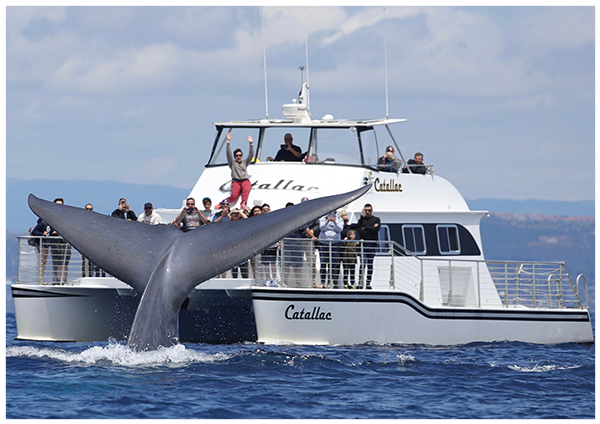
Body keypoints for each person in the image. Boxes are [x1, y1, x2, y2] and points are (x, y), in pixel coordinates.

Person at [219, 132, 254, 210]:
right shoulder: (232, 163)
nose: (238, 157)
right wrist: (228, 143)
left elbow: (251, 155)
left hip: (245, 180)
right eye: (237, 155)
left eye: (240, 155)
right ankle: (221, 203)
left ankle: (243, 204)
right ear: (235, 156)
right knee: (234, 196)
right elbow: (228, 154)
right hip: (236, 181)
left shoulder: (245, 162)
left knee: (246, 190)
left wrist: (251, 144)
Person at [353, 203, 380, 289]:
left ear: (372, 211)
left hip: (372, 245)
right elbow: (360, 231)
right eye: (366, 210)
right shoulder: (362, 220)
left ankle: (368, 283)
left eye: (369, 210)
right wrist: (370, 228)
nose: (367, 212)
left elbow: (376, 229)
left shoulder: (376, 219)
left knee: (370, 265)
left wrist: (366, 228)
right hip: (363, 246)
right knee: (363, 264)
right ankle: (360, 282)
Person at [46, 198, 71, 284]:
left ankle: (64, 280)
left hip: (65, 243)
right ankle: (56, 280)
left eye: (60, 204)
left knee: (65, 263)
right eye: (57, 204)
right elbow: (49, 229)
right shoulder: (50, 217)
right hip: (55, 243)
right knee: (56, 262)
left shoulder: (67, 217)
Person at [318, 210, 344, 288]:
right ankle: (322, 282)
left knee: (331, 264)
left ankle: (329, 283)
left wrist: (335, 222)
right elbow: (321, 228)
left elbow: (340, 229)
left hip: (334, 244)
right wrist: (327, 221)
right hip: (323, 243)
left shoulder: (339, 219)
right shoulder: (323, 218)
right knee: (323, 263)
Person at [30, 216, 50, 282]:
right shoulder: (43, 223)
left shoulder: (45, 222)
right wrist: (42, 234)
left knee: (43, 261)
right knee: (42, 261)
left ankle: (41, 277)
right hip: (42, 243)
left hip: (45, 244)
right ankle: (41, 277)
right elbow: (34, 231)